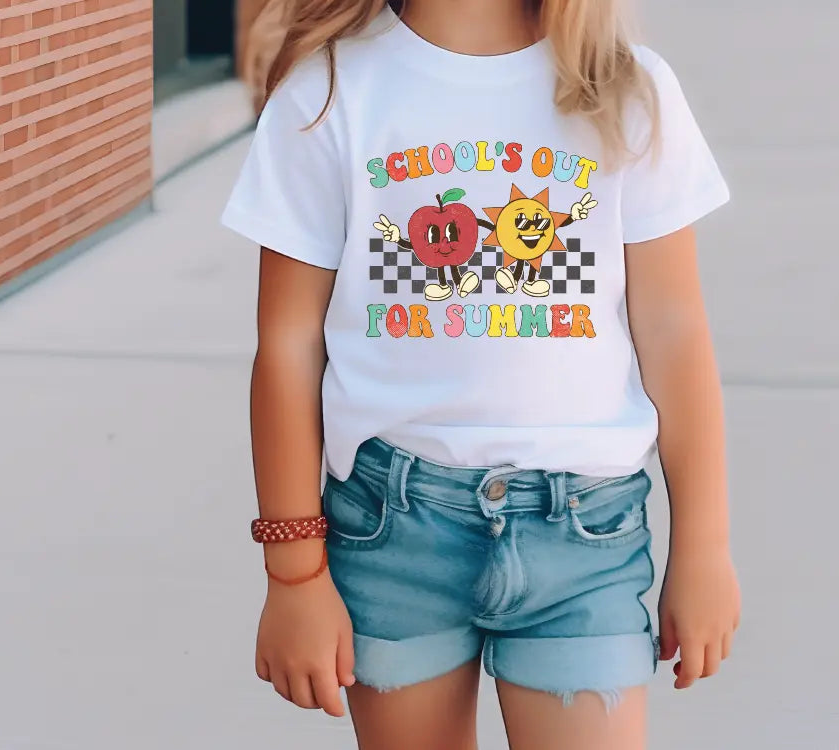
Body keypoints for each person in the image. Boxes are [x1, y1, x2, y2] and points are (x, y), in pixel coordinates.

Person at [222, 1, 741, 747]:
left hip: (584, 538)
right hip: (392, 530)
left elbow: (675, 331)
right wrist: (294, 575)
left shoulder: (625, 90)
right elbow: (287, 344)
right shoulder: (328, 89)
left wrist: (704, 546)